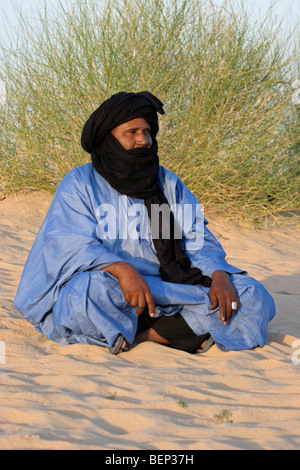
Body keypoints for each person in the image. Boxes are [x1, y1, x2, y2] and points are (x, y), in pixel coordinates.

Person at [14, 91, 275, 355]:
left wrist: (219, 273)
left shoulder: (167, 182)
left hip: (170, 286)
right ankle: (183, 333)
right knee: (85, 293)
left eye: (147, 132)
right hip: (113, 286)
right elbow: (68, 243)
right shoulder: (80, 183)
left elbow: (197, 237)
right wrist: (121, 269)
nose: (144, 140)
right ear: (110, 137)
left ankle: (144, 334)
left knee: (252, 295)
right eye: (132, 132)